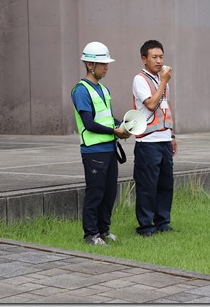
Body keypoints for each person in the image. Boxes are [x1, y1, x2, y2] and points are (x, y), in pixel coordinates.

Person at [71, 41, 131, 245]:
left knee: (108, 194)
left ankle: (104, 230)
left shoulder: (104, 90)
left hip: (109, 149)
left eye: (107, 63)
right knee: (95, 194)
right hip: (93, 151)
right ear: (90, 65)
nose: (107, 67)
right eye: (103, 63)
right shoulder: (81, 90)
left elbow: (107, 119)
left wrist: (123, 126)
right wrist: (115, 131)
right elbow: (89, 123)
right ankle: (91, 235)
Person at [132, 39, 177, 237]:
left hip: (164, 139)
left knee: (166, 184)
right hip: (147, 141)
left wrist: (172, 135)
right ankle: (145, 226)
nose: (159, 61)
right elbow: (150, 104)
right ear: (144, 59)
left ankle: (162, 222)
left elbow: (165, 108)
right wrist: (165, 82)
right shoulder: (140, 79)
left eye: (161, 57)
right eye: (154, 57)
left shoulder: (161, 80)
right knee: (147, 185)